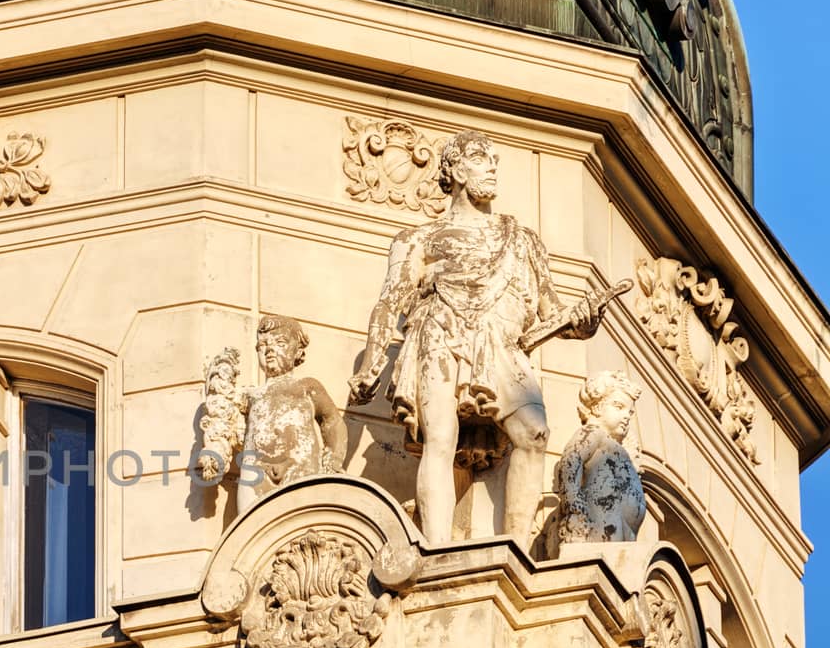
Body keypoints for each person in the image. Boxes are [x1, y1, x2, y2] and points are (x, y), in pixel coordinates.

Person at [348, 129, 618, 544]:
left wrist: (586, 319)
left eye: (494, 159)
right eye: (479, 158)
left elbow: (554, 313)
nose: (492, 166)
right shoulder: (418, 239)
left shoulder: (522, 240)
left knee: (535, 433)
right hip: (438, 332)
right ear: (453, 169)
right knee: (440, 437)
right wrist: (371, 365)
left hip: (501, 344)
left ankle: (516, 547)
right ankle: (435, 546)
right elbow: (390, 301)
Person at [197, 316, 347, 516]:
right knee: (251, 525)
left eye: (280, 343)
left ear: (298, 351)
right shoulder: (250, 396)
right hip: (256, 472)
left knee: (304, 518)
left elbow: (333, 422)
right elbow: (221, 418)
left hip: (299, 464)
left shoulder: (307, 387)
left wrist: (333, 460)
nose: (269, 350)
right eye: (263, 345)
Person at [554, 372, 645, 545]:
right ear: (596, 407)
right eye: (618, 406)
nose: (626, 416)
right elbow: (571, 459)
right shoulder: (593, 432)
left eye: (630, 412)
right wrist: (573, 504)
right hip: (600, 523)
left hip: (625, 532)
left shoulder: (618, 447)